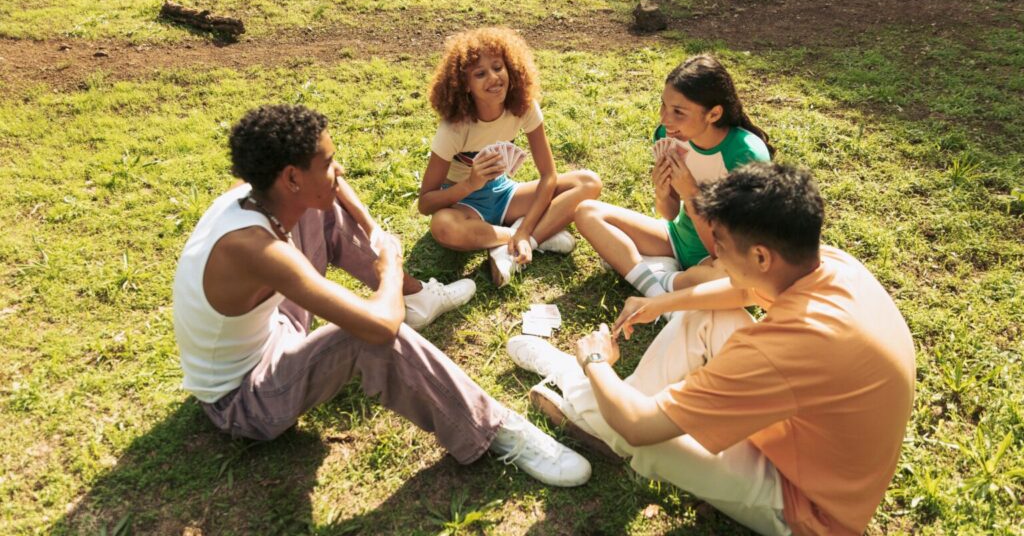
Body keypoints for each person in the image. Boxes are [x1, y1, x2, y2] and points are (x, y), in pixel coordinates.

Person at [172, 104, 591, 487]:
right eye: (329, 162)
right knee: (372, 337)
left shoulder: (259, 194)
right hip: (246, 398)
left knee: (327, 212)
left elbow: (337, 191)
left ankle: (418, 298)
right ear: (293, 177)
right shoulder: (254, 249)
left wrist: (373, 231)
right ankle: (496, 430)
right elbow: (378, 327)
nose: (338, 170)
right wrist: (388, 266)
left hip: (275, 330)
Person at [507, 163, 916, 534]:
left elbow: (639, 425)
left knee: (636, 433)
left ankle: (575, 386)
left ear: (760, 255)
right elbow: (741, 289)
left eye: (720, 244)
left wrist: (594, 360)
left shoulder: (781, 349)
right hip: (811, 445)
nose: (712, 255)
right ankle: (598, 409)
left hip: (805, 510)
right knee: (702, 314)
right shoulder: (829, 264)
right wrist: (659, 303)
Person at [574, 54, 772, 297]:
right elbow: (668, 213)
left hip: (722, 257)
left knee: (736, 281)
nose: (665, 119)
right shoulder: (668, 137)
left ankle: (656, 277)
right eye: (664, 106)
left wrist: (691, 194)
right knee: (587, 212)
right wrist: (662, 191)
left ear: (714, 114)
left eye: (678, 111)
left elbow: (723, 251)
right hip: (675, 238)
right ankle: (658, 287)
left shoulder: (746, 155)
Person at [418, 27, 602, 287]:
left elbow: (548, 175)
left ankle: (526, 239)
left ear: (511, 68)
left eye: (498, 67)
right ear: (465, 86)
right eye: (480, 74)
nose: (493, 78)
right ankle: (525, 236)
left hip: (504, 194)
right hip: (463, 204)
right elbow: (425, 203)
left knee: (588, 182)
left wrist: (526, 231)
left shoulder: (523, 107)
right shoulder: (454, 128)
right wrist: (470, 184)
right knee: (443, 227)